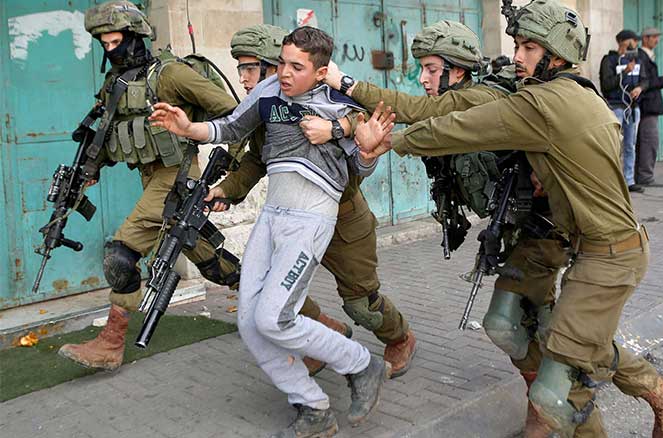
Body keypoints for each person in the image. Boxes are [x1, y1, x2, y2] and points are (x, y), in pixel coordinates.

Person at [356, 1, 663, 437]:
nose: (517, 56)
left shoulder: (543, 103)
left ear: (557, 54)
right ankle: (660, 392)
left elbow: (461, 128)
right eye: (517, 45)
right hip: (589, 247)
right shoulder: (575, 94)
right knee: (545, 337)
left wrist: (388, 142)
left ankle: (659, 393)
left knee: (559, 391)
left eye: (529, 47)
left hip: (609, 258)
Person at [149, 26, 389, 437]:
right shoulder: (268, 92)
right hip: (273, 216)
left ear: (321, 72)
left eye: (297, 66)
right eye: (281, 63)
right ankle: (312, 407)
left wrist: (367, 151)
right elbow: (229, 128)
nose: (285, 73)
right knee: (249, 322)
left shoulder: (341, 106)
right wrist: (189, 129)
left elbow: (361, 166)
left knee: (274, 317)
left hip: (311, 218)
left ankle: (363, 365)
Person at [211, 24, 417, 378]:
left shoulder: (331, 100)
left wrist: (342, 131)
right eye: (240, 68)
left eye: (250, 68)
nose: (244, 78)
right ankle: (324, 333)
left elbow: (362, 147)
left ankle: (400, 337)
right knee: (275, 291)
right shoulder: (266, 107)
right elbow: (256, 160)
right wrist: (226, 190)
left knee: (361, 304)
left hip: (343, 219)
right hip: (293, 217)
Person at [58, 0, 242, 371]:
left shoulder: (171, 75)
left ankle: (111, 343)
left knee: (121, 254)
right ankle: (259, 290)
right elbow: (109, 133)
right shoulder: (117, 82)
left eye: (117, 42)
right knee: (199, 249)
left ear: (135, 37)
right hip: (150, 177)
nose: (112, 51)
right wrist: (92, 168)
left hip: (177, 175)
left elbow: (235, 113)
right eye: (105, 45)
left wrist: (233, 166)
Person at [599, 29, 644, 193]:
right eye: (633, 41)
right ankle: (612, 182)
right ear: (623, 42)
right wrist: (624, 72)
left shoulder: (636, 60)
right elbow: (606, 85)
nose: (635, 44)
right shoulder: (609, 60)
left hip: (632, 108)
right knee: (614, 145)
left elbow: (645, 80)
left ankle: (629, 180)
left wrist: (639, 88)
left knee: (630, 145)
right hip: (615, 107)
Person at [636, 27, 663, 188]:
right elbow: (645, 83)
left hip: (650, 105)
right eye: (654, 37)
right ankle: (645, 177)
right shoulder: (641, 56)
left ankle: (642, 176)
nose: (657, 40)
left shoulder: (647, 56)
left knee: (646, 141)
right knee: (649, 141)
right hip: (647, 106)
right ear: (645, 38)